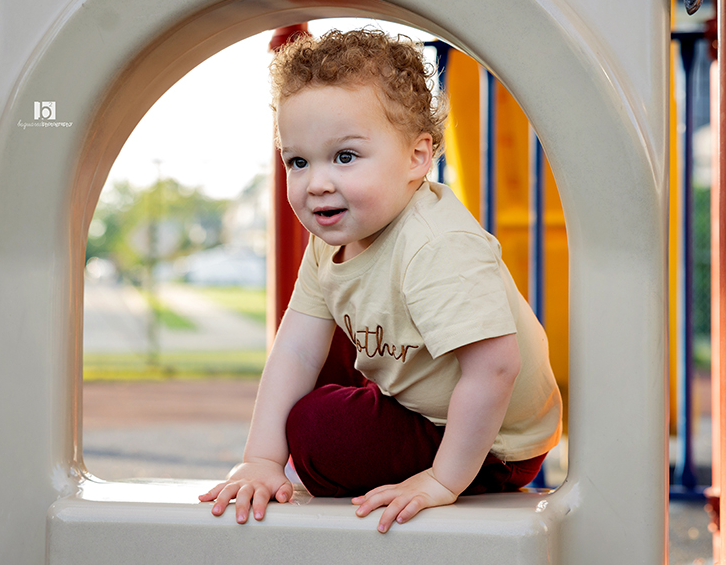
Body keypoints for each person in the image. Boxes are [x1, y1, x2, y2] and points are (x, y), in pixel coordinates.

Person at [199, 28, 562, 533]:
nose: (317, 182)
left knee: (313, 432)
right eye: (298, 161)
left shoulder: (436, 244)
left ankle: (436, 462)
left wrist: (442, 480)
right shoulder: (330, 240)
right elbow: (295, 350)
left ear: (417, 158)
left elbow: (496, 368)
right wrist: (260, 459)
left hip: (490, 441)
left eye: (345, 156)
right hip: (420, 398)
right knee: (319, 342)